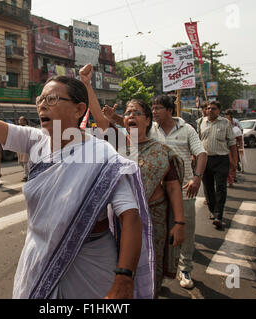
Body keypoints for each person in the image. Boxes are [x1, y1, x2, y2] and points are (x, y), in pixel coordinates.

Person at [0, 36, 155, 299]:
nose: (42, 105)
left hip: (92, 263)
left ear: (79, 109)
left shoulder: (103, 155)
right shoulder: (36, 139)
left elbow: (130, 216)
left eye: (53, 99)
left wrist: (124, 278)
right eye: (41, 100)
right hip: (39, 259)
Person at [80, 64, 186, 297]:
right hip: (120, 219)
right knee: (120, 271)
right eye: (127, 113)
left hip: (154, 222)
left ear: (148, 120)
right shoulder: (117, 142)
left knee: (150, 270)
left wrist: (179, 223)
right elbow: (98, 116)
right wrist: (87, 84)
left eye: (136, 112)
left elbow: (173, 188)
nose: (130, 116)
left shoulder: (162, 151)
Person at [147, 95, 207, 289]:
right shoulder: (150, 130)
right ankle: (159, 272)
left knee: (186, 233)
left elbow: (201, 154)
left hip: (183, 192)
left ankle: (185, 268)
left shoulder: (187, 129)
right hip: (158, 194)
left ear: (170, 110)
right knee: (160, 234)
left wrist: (196, 178)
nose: (154, 111)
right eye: (152, 108)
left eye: (158, 108)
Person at [197, 101, 237, 230]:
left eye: (213, 109)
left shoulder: (225, 123)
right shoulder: (200, 122)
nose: (210, 111)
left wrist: (234, 161)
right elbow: (197, 141)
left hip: (221, 159)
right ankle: (213, 210)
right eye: (208, 108)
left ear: (219, 111)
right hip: (205, 159)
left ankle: (219, 215)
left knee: (220, 187)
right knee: (208, 188)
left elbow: (232, 143)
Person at [225, 110, 243, 187]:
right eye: (225, 115)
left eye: (228, 115)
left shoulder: (235, 125)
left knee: (233, 163)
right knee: (228, 163)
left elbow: (240, 138)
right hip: (225, 147)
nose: (226, 116)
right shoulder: (223, 123)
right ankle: (229, 179)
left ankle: (232, 178)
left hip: (234, 146)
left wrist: (241, 147)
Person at [17, 116, 30, 181]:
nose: (19, 121)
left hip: (26, 146)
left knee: (25, 161)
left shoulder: (28, 128)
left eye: (21, 120)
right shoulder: (19, 128)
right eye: (19, 120)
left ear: (25, 121)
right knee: (21, 161)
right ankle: (27, 173)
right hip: (20, 147)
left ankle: (26, 175)